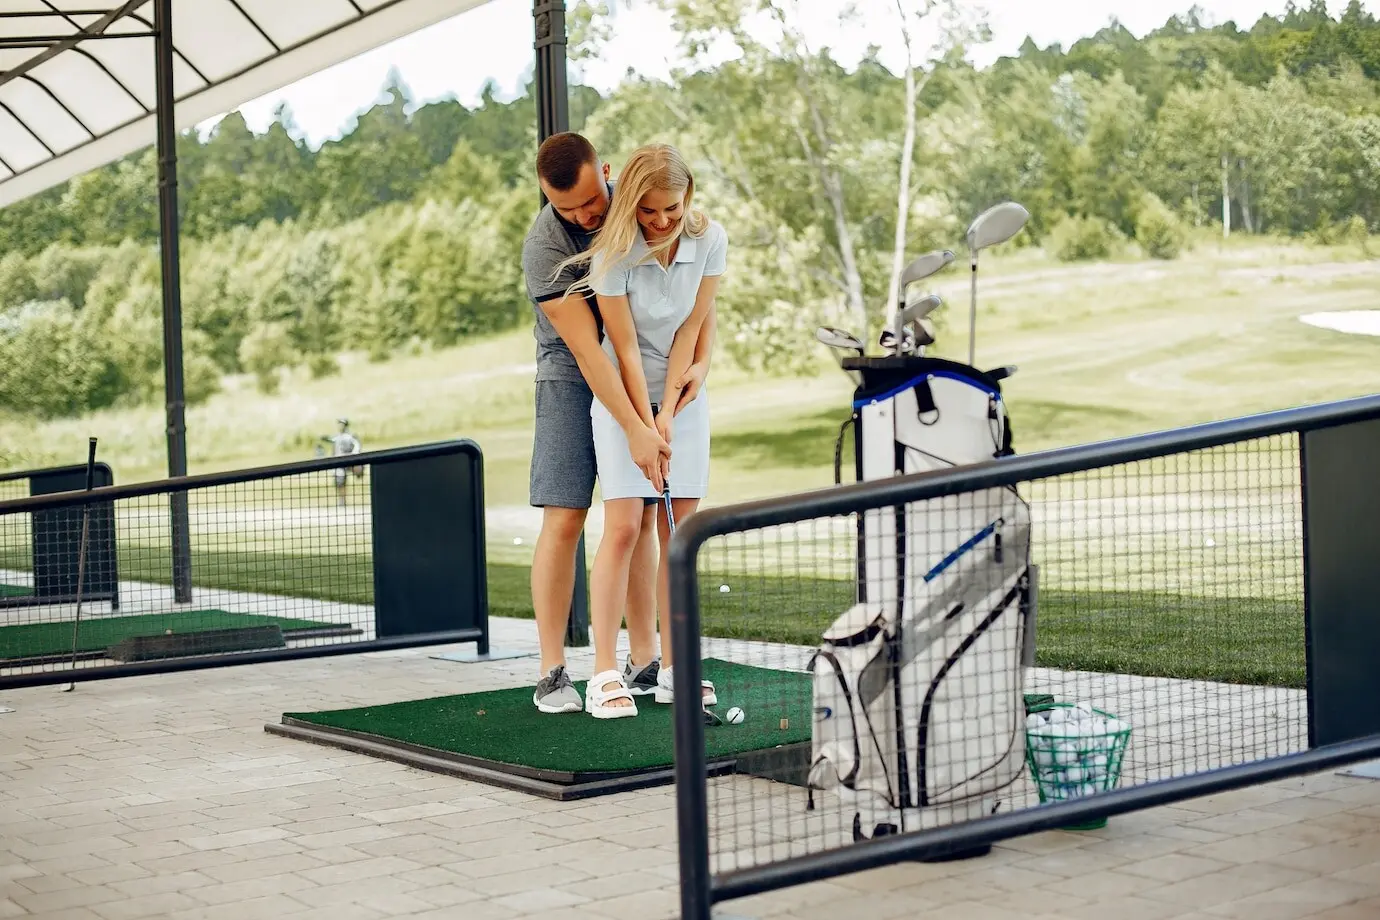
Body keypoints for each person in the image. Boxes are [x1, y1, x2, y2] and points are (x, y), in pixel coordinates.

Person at [521, 133, 715, 715]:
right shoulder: (545, 247)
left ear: (605, 173)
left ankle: (645, 657)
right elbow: (594, 353)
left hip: (643, 371)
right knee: (567, 514)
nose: (584, 215)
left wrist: (699, 364)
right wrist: (636, 427)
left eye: (590, 201)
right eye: (568, 209)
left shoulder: (640, 211)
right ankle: (553, 670)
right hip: (571, 368)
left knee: (638, 514)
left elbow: (690, 302)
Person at [319, 418, 363, 508]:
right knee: (339, 480)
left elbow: (357, 447)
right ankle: (342, 500)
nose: (340, 426)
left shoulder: (350, 437)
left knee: (352, 472)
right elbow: (331, 440)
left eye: (342, 424)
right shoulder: (337, 437)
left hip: (347, 460)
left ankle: (359, 472)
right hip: (338, 462)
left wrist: (353, 456)